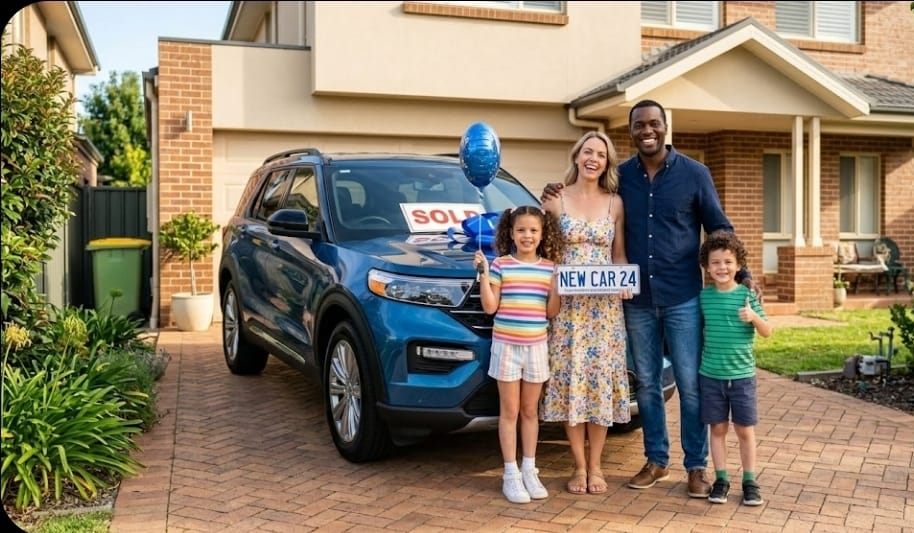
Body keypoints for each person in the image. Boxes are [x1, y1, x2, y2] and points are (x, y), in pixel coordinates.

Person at [542, 99, 760, 498]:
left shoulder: (695, 174)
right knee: (646, 386)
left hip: (682, 296)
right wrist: (554, 189)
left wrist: (742, 272)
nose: (647, 130)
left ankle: (695, 467)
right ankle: (656, 460)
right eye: (639, 124)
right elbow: (584, 197)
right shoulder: (620, 178)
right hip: (636, 300)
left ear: (665, 128)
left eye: (654, 123)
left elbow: (718, 227)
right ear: (632, 131)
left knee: (691, 384)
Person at [538, 131, 633, 496]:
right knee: (573, 381)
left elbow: (618, 254)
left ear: (607, 164)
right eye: (589, 152)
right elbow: (545, 251)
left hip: (605, 310)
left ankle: (597, 466)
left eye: (602, 155)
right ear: (577, 156)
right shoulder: (556, 200)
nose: (594, 158)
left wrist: (625, 280)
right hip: (568, 309)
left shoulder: (616, 203)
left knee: (599, 383)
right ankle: (579, 465)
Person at [474, 205, 563, 504]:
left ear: (541, 235)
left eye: (533, 230)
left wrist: (557, 289)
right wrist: (484, 275)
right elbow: (490, 307)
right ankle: (510, 474)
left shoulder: (550, 268)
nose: (527, 235)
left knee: (529, 411)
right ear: (511, 233)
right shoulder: (501, 264)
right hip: (506, 347)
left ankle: (529, 469)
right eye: (521, 230)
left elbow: (551, 312)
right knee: (509, 412)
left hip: (536, 346)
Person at [697, 230, 771, 506]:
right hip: (711, 376)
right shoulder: (704, 298)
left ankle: (750, 481)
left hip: (742, 378)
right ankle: (721, 479)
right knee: (717, 430)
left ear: (738, 265)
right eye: (715, 262)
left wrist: (753, 317)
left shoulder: (747, 296)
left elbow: (767, 332)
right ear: (706, 267)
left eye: (728, 262)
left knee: (744, 431)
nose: (722, 267)